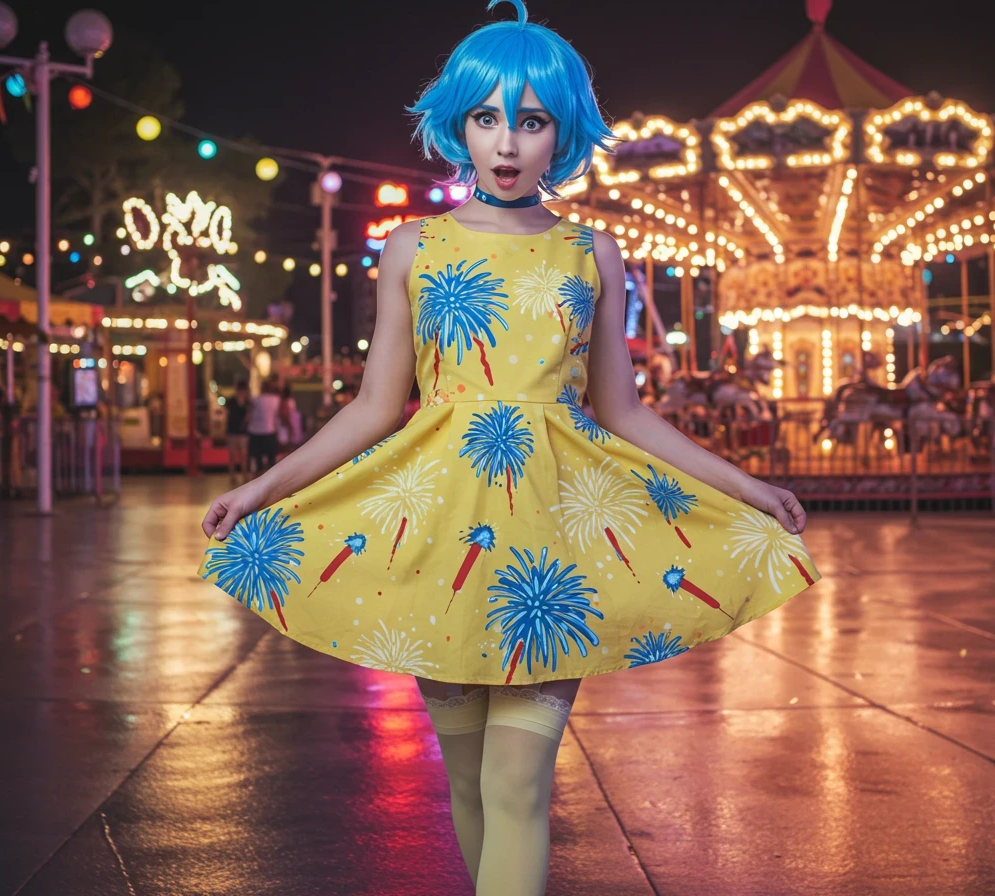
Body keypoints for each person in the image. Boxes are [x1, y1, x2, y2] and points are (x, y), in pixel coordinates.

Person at [198, 3, 819, 893]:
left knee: (517, 778)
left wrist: (747, 487)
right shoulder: (415, 247)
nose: (508, 142)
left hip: (549, 554)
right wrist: (261, 490)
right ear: (459, 123)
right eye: (488, 117)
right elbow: (376, 406)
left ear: (559, 132)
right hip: (436, 533)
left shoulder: (590, 250)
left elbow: (626, 413)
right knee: (470, 786)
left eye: (530, 121)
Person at [245, 377, 282, 474]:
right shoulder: (276, 400)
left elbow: (249, 414)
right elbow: (277, 417)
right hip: (269, 431)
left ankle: (258, 480)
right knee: (271, 460)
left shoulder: (255, 400)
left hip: (255, 432)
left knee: (258, 461)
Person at [225, 379, 250, 484]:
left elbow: (249, 416)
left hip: (243, 431)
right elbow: (228, 415)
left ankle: (244, 474)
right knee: (232, 454)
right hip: (232, 431)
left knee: (243, 454)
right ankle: (232, 475)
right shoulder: (232, 401)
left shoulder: (247, 402)